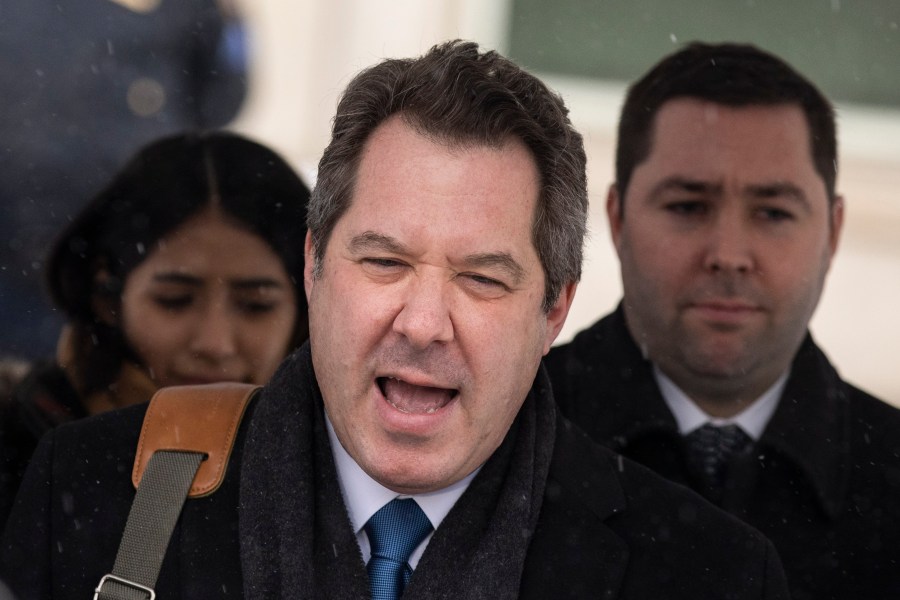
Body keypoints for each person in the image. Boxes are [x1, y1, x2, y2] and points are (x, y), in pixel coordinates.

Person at [1, 41, 790, 599]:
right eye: (384, 262)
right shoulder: (94, 494)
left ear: (554, 309)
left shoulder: (707, 572)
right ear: (313, 267)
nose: (422, 322)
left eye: (482, 278)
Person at [545, 41, 900, 600]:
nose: (729, 253)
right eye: (688, 206)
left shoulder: (891, 476)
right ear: (616, 219)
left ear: (832, 233)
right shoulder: (503, 434)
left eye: (773, 212)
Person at [0, 130, 310, 526]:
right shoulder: (19, 458)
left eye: (256, 306)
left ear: (306, 310)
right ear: (107, 296)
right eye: (174, 301)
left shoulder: (348, 476)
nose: (214, 343)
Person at [0, 0, 249, 360]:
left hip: (125, 242)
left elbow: (222, 97)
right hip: (38, 241)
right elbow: (221, 95)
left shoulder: (186, 12)